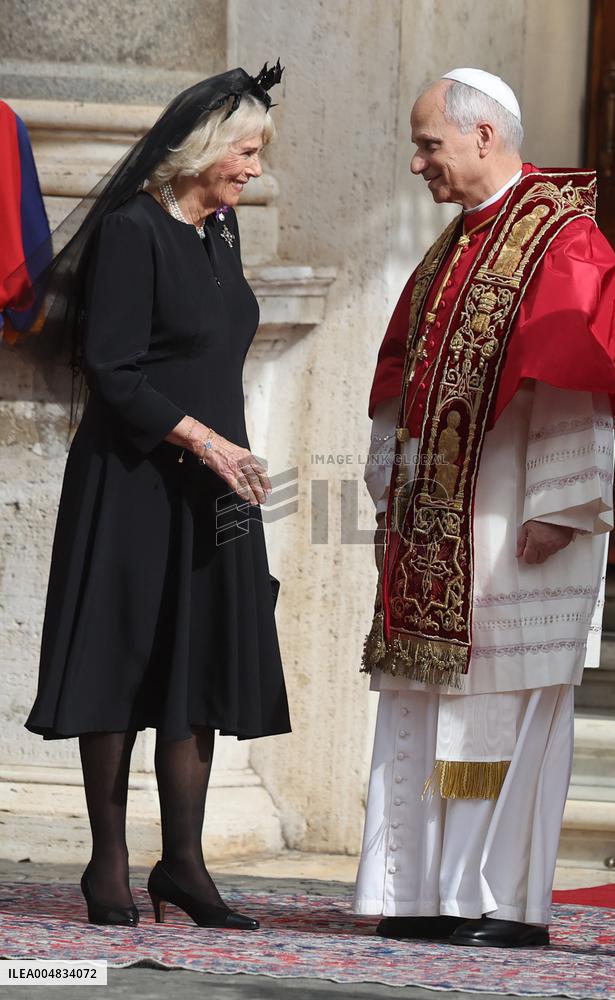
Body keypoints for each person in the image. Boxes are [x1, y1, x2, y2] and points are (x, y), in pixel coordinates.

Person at [354, 68, 615, 949]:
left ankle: (502, 904)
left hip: (516, 524)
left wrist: (563, 503)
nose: (417, 164)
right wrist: (392, 502)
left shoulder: (564, 241)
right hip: (440, 533)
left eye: (429, 144)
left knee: (504, 710)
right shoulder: (451, 249)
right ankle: (422, 894)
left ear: (484, 136)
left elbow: (578, 381)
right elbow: (401, 387)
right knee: (426, 707)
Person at [21, 64, 291, 929]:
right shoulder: (133, 231)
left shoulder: (225, 231)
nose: (253, 169)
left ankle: (184, 865)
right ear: (204, 147)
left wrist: (227, 455)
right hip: (135, 477)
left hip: (214, 487)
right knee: (121, 659)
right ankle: (108, 865)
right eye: (245, 151)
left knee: (196, 660)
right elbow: (113, 371)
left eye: (258, 153)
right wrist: (206, 442)